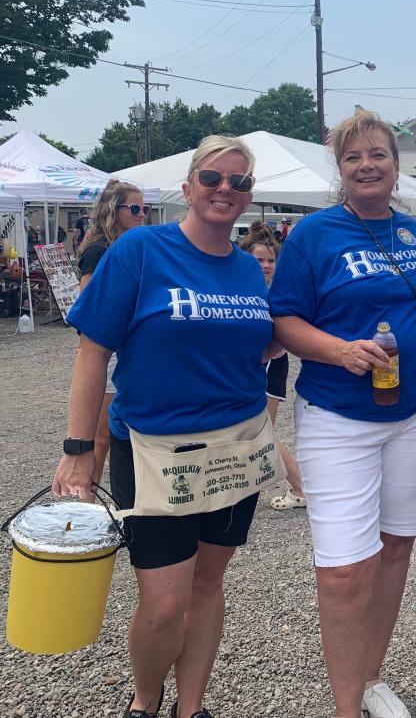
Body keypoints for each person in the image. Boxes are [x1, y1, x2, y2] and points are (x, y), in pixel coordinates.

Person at [52, 135, 274, 718]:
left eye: (240, 181)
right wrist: (79, 449)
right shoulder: (141, 251)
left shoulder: (250, 270)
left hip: (236, 447)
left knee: (206, 585)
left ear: (248, 196)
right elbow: (92, 350)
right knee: (163, 603)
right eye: (213, 178)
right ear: (188, 187)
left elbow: (262, 344)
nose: (226, 189)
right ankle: (145, 701)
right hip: (153, 448)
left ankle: (191, 707)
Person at [270, 110, 416, 718]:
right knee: (344, 569)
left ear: (396, 165)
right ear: (339, 170)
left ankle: (371, 678)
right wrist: (339, 350)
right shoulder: (314, 234)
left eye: (378, 155)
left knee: (396, 547)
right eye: (353, 157)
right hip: (338, 415)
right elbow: (285, 319)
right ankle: (346, 708)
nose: (367, 165)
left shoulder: (412, 231)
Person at [77, 179, 150, 486]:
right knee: (102, 435)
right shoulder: (99, 249)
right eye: (134, 208)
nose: (142, 214)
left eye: (144, 208)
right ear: (113, 210)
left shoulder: (135, 246)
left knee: (119, 431)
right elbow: (90, 306)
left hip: (132, 350)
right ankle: (89, 501)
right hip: (109, 350)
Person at [238, 221, 305, 510]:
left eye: (270, 260)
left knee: (262, 432)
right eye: (259, 260)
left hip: (269, 367)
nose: (266, 266)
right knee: (250, 433)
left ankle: (301, 487)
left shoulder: (274, 293)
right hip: (250, 368)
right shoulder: (239, 288)